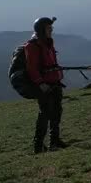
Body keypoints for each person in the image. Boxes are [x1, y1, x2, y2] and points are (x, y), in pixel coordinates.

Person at [25, 16, 68, 153]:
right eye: (49, 28)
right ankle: (38, 145)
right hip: (44, 86)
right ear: (42, 30)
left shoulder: (48, 42)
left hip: (55, 82)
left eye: (51, 28)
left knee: (56, 112)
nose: (51, 30)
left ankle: (54, 141)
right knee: (45, 113)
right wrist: (40, 83)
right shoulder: (32, 46)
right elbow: (32, 68)